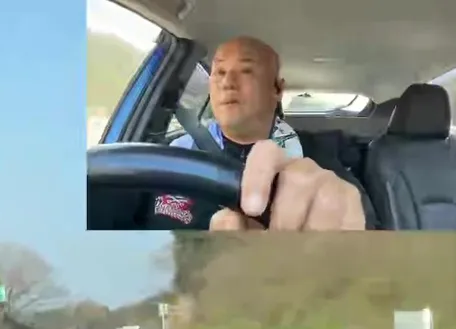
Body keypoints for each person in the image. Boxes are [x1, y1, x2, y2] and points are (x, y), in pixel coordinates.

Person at [147, 36, 377, 231]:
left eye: (246, 71)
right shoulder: (177, 154)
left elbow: (357, 223)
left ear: (277, 89)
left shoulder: (321, 155)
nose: (227, 83)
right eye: (219, 71)